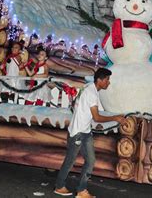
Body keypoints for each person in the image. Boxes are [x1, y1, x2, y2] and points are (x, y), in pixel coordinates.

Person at [54, 68, 126, 198]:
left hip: (84, 131)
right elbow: (97, 117)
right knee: (70, 161)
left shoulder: (88, 88)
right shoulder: (91, 93)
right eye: (107, 80)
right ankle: (59, 186)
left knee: (90, 161)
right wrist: (116, 118)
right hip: (78, 132)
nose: (108, 83)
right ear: (99, 80)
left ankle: (81, 190)